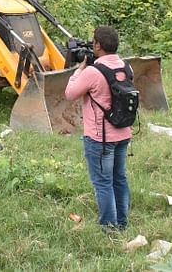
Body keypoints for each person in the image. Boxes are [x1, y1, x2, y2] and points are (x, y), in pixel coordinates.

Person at [64, 26, 132, 230]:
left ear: (98, 45)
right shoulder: (127, 68)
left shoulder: (93, 72)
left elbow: (70, 94)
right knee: (119, 178)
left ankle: (109, 226)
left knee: (103, 182)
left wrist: (79, 70)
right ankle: (122, 222)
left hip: (100, 138)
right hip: (123, 133)